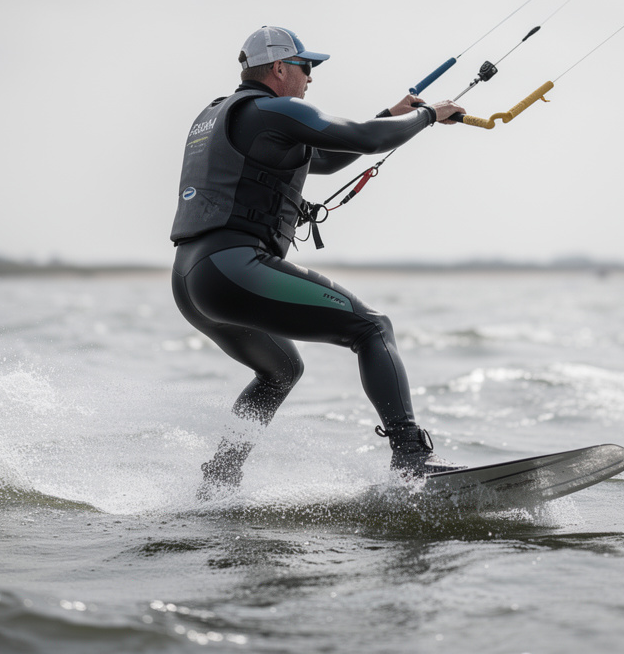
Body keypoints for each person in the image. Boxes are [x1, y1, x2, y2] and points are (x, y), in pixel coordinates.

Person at [170, 25, 468, 497]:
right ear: (280, 68)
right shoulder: (271, 109)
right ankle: (412, 459)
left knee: (281, 370)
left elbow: (324, 158)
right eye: (306, 67)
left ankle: (220, 477)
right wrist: (430, 114)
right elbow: (366, 139)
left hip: (191, 281)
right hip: (231, 269)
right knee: (372, 328)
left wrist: (393, 114)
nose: (311, 78)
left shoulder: (228, 116)